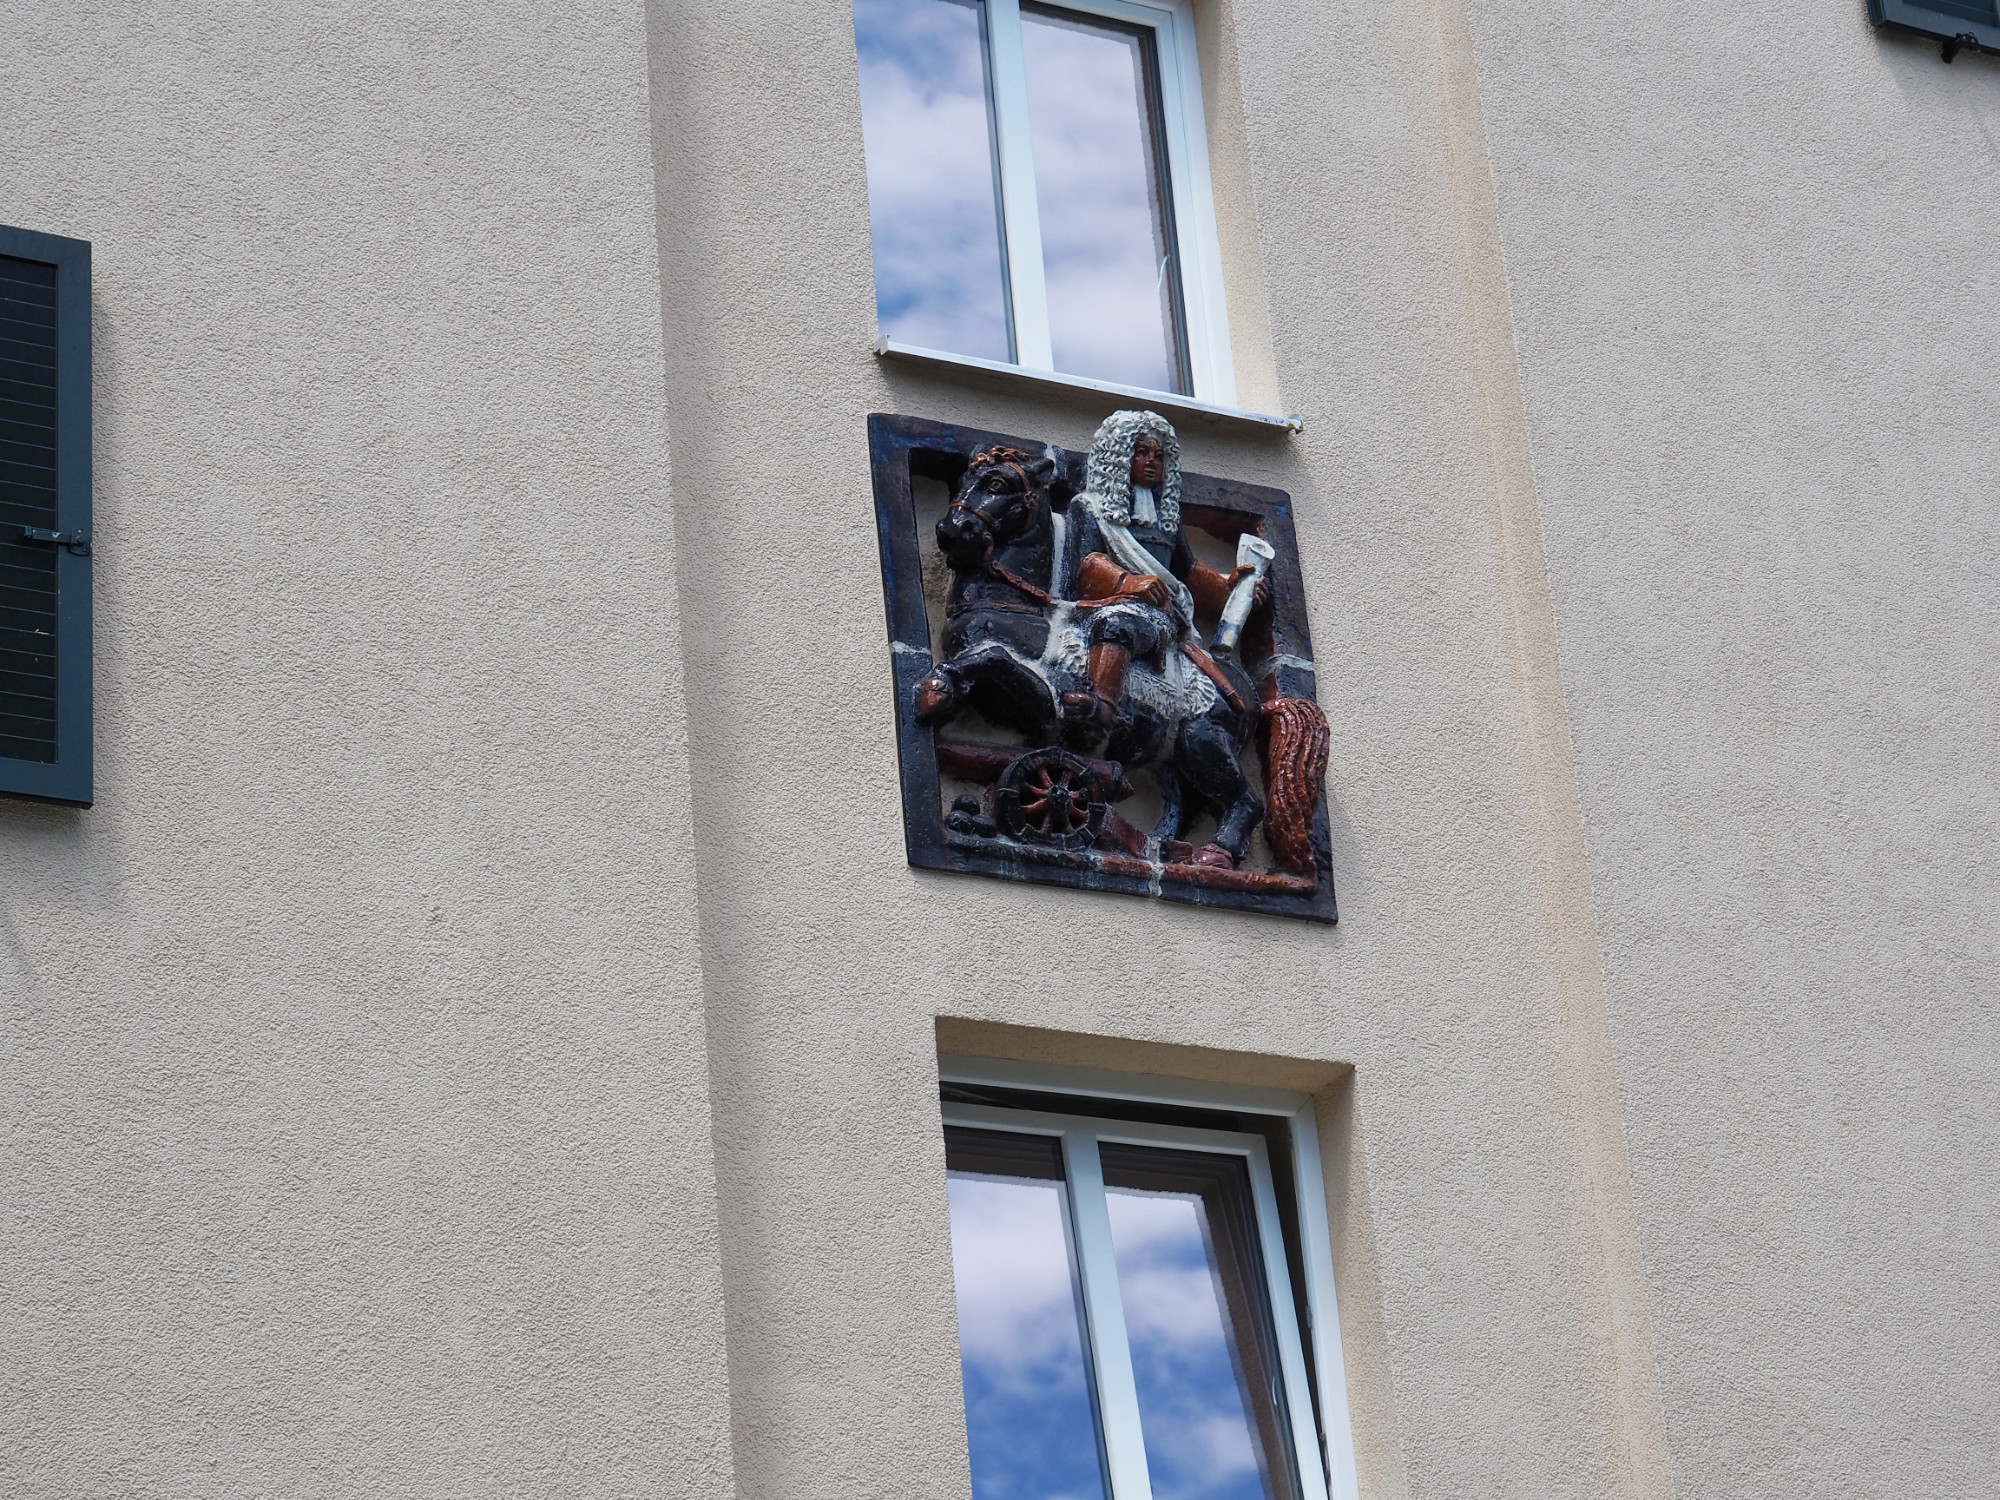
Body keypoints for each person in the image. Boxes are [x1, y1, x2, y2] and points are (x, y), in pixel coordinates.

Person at [1058, 409, 1266, 746]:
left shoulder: (1166, 523)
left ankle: (1103, 710)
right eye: (1141, 453)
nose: (1152, 463)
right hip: (1115, 603)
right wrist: (1127, 582)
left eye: (1159, 456)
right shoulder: (1090, 508)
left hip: (1163, 615)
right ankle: (1102, 704)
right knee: (1116, 621)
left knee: (1120, 625)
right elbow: (1084, 564)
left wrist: (1230, 588)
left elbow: (1189, 571)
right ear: (1119, 457)